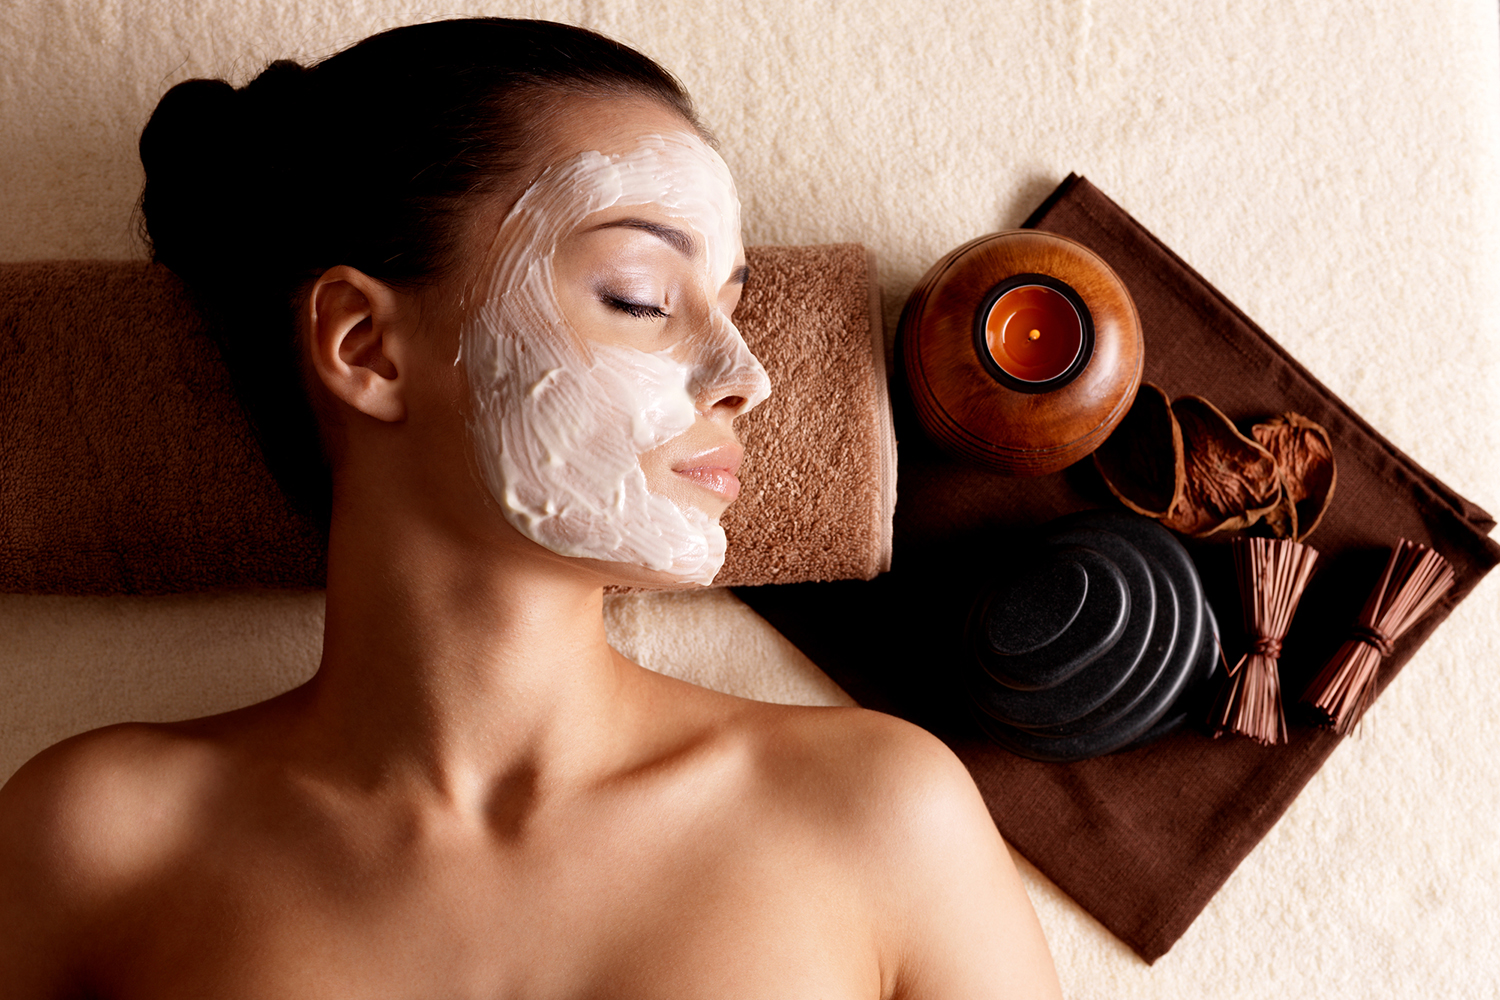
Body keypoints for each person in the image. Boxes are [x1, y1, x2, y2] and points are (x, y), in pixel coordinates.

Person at [0, 18, 1062, 997]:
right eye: (641, 297)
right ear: (366, 347)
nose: (745, 374)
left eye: (732, 308)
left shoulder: (878, 816)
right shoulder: (100, 839)